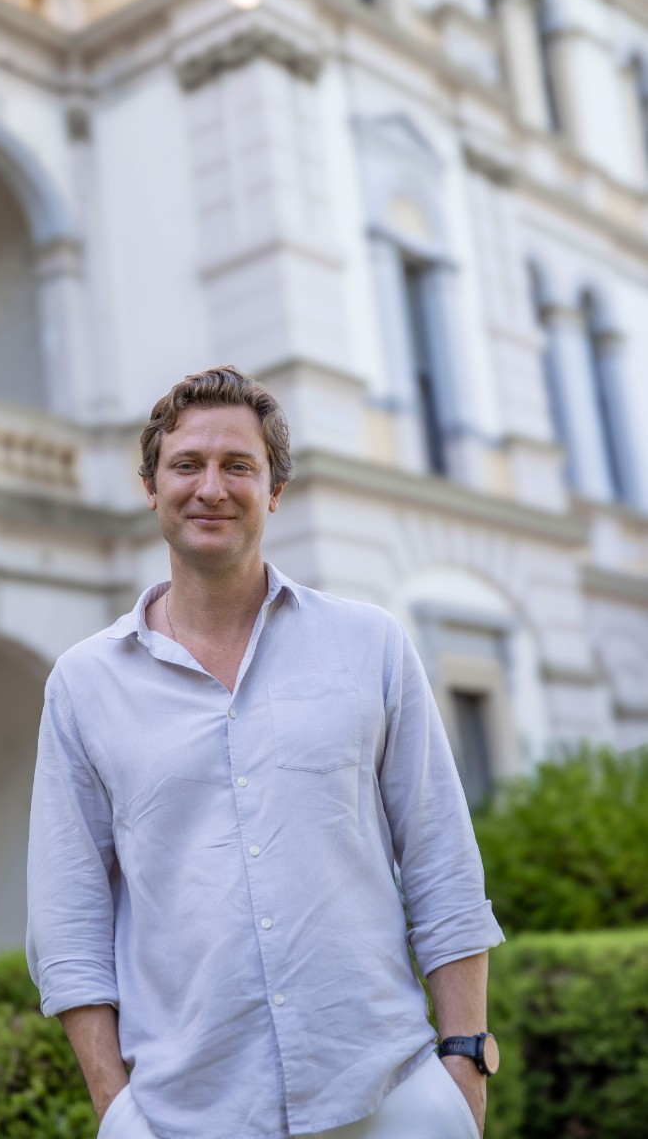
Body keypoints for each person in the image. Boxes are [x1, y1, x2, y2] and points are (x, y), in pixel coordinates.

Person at [26, 365, 505, 1139]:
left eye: (237, 466)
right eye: (186, 465)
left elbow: (442, 865)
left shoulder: (371, 645)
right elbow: (68, 914)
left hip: (390, 1096)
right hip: (184, 1115)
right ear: (151, 485)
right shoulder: (83, 684)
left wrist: (463, 1068)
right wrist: (117, 1110)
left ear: (273, 489)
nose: (210, 487)